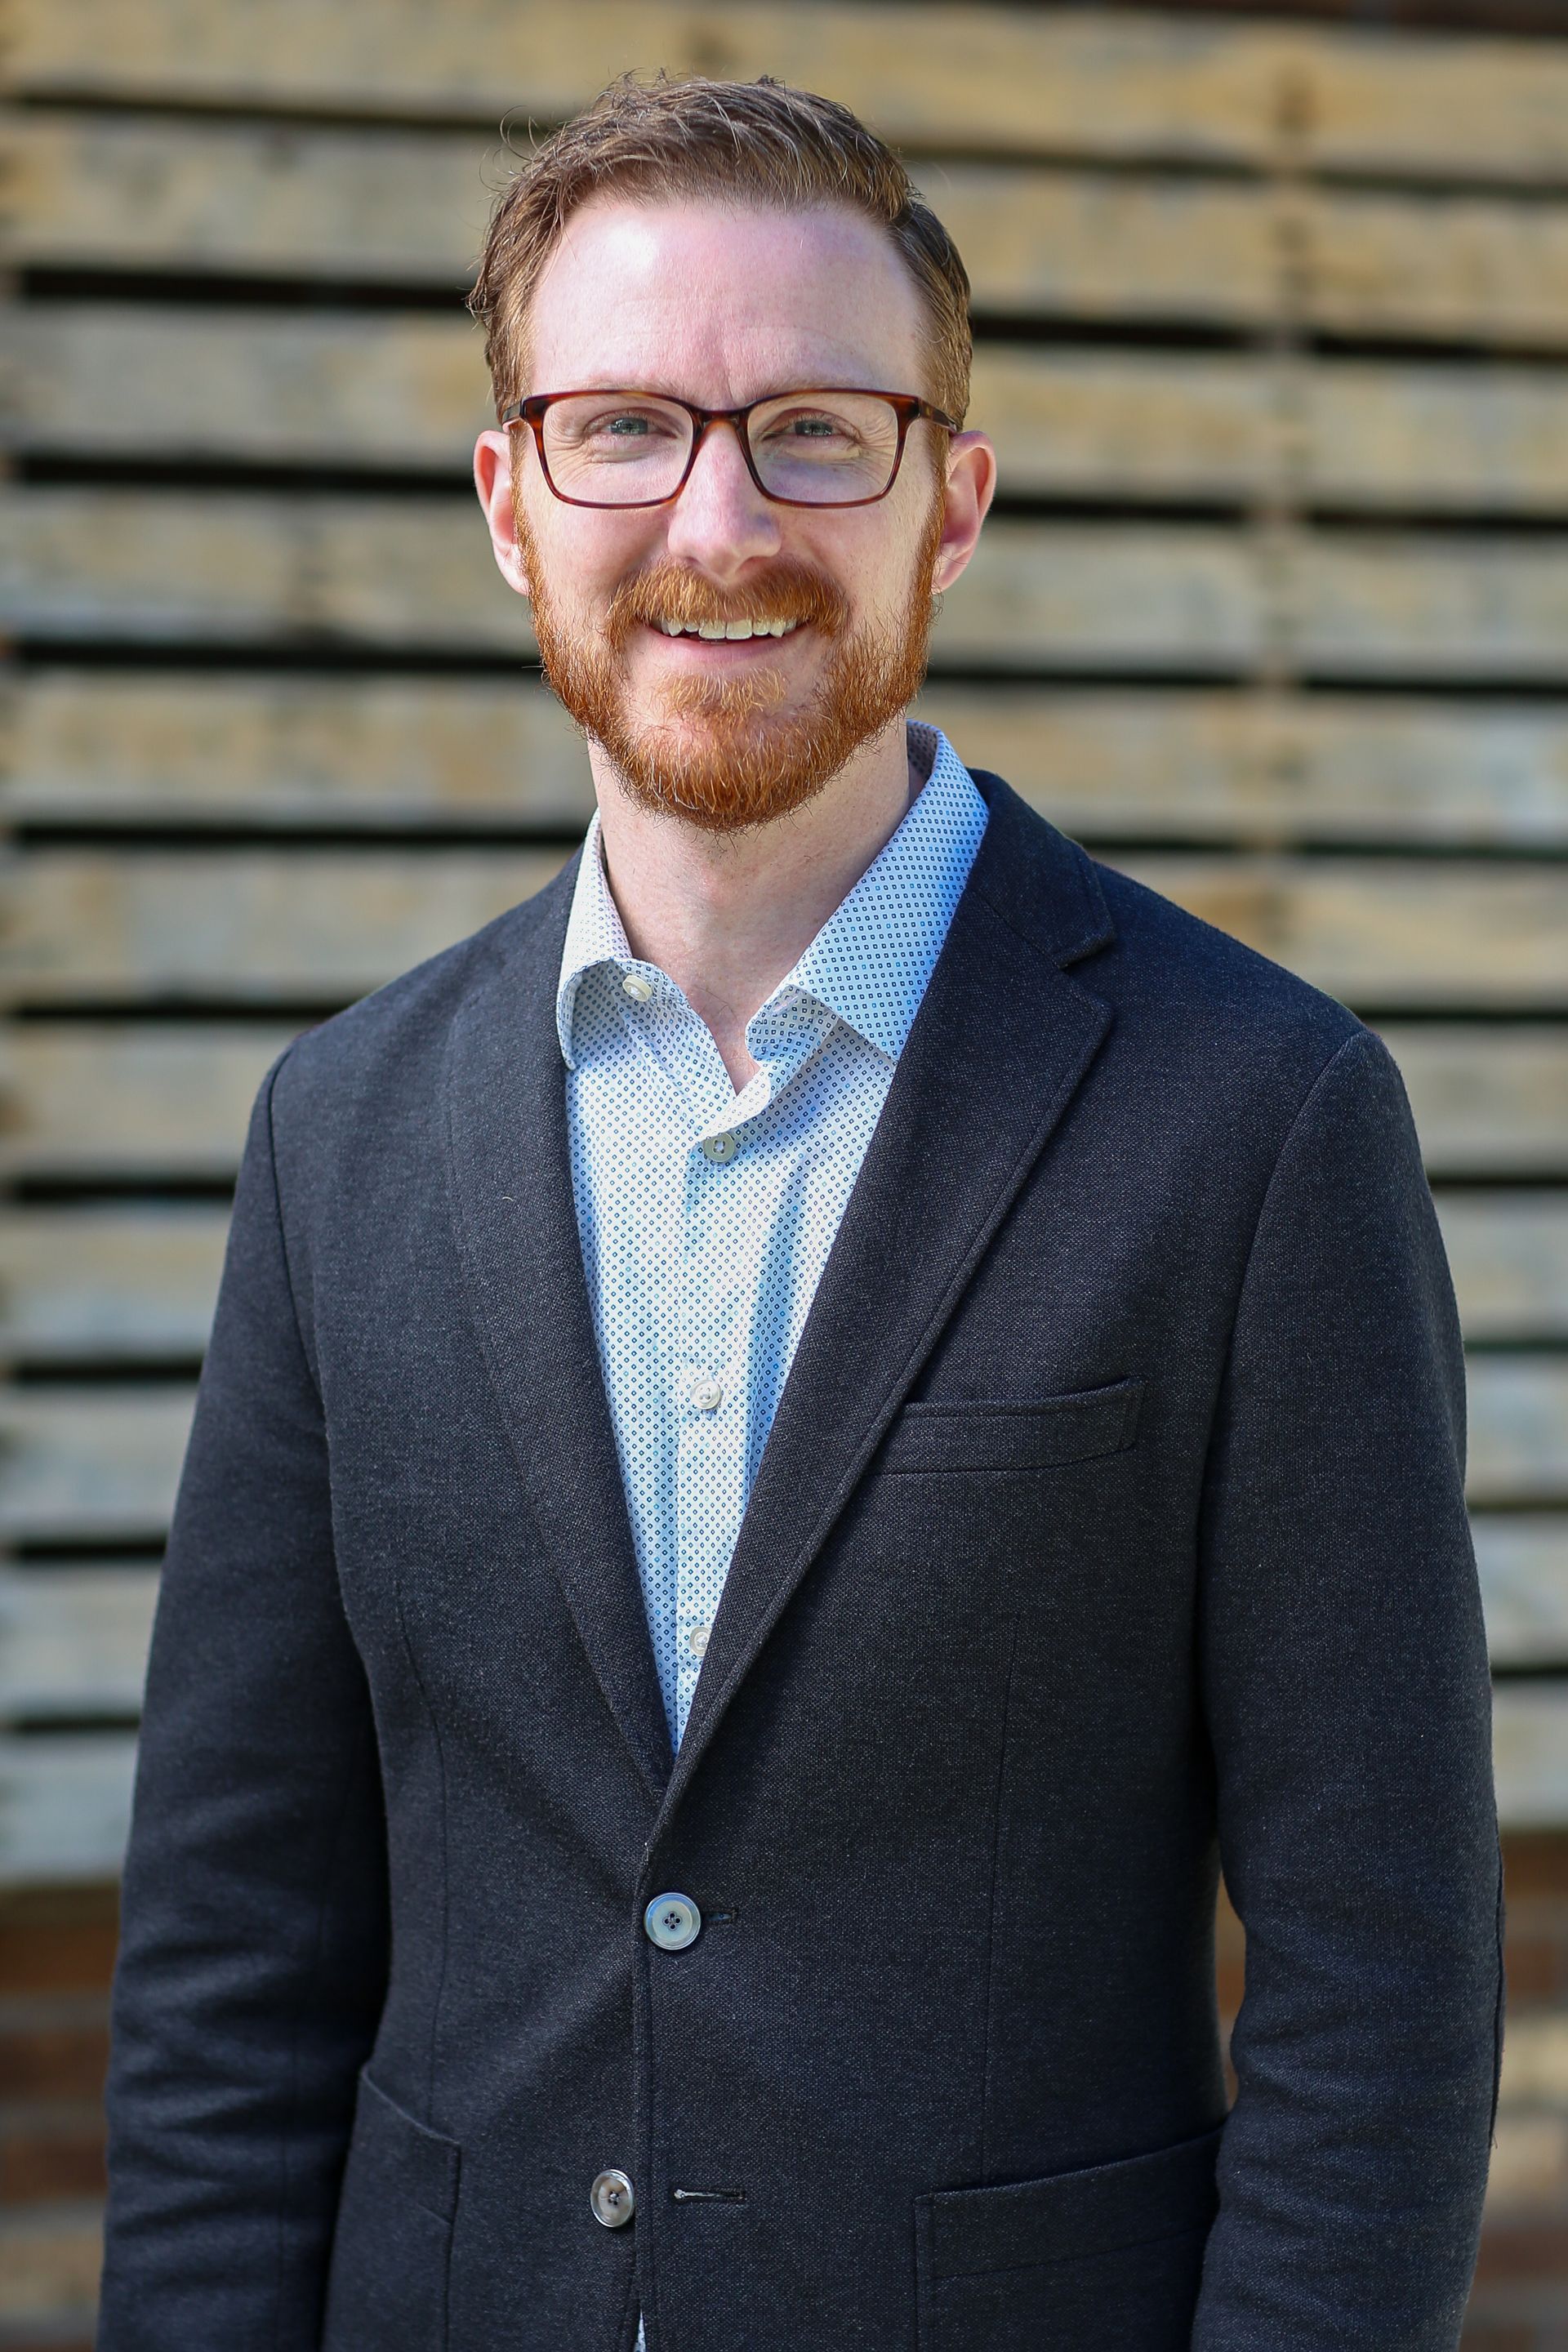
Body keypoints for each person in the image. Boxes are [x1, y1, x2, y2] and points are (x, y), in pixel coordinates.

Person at [97, 71, 1502, 2352]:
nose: (718, 519)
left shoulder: (1259, 1121)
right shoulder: (339, 1135)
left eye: (817, 433)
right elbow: (235, 1968)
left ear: (949, 505)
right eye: (624, 428)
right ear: (507, 503)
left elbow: (1385, 1979)